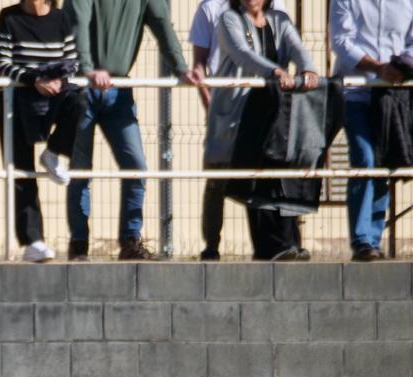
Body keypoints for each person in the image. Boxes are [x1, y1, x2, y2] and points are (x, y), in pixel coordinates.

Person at [64, 0, 201, 261]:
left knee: (136, 167)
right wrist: (87, 68)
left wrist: (181, 68)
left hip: (119, 89)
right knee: (80, 170)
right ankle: (79, 245)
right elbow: (78, 24)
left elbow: (162, 25)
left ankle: (130, 241)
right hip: (81, 88)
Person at [205, 0, 319, 260]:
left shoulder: (281, 20)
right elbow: (242, 53)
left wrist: (308, 68)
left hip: (275, 112)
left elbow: (296, 47)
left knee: (282, 175)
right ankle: (264, 247)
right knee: (251, 177)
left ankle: (289, 243)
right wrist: (276, 71)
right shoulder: (229, 20)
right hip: (241, 113)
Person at [189, 0, 285, 261]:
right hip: (225, 106)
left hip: (263, 103)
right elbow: (199, 63)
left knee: (265, 174)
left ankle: (271, 244)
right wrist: (208, 101)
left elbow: (283, 50)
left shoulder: (275, 5)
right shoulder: (211, 8)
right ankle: (211, 245)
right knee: (217, 178)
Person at [0, 0, 84, 263]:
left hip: (54, 97)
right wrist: (35, 80)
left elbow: (72, 61)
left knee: (80, 101)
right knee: (22, 172)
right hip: (17, 103)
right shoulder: (8, 17)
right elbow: (3, 63)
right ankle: (33, 241)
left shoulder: (60, 18)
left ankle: (54, 152)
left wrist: (58, 80)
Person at [330, 0, 413, 261]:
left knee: (384, 162)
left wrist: (401, 66)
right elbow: (342, 42)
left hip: (393, 94)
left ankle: (374, 239)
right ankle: (362, 240)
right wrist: (378, 68)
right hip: (356, 91)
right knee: (365, 158)